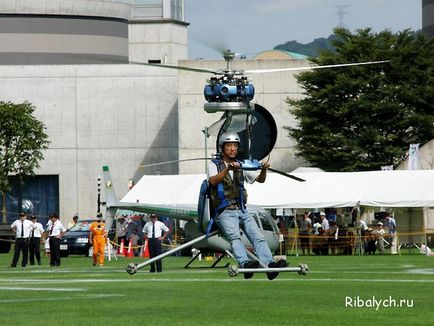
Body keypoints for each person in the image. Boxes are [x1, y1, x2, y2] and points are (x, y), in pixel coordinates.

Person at [208, 132, 287, 280]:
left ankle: (269, 264)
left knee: (258, 236)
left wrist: (263, 169)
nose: (233, 149)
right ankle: (245, 263)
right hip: (224, 211)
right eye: (229, 145)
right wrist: (227, 169)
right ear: (222, 148)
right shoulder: (214, 165)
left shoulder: (241, 165)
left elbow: (260, 180)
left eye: (235, 146)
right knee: (234, 237)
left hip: (242, 209)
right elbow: (213, 181)